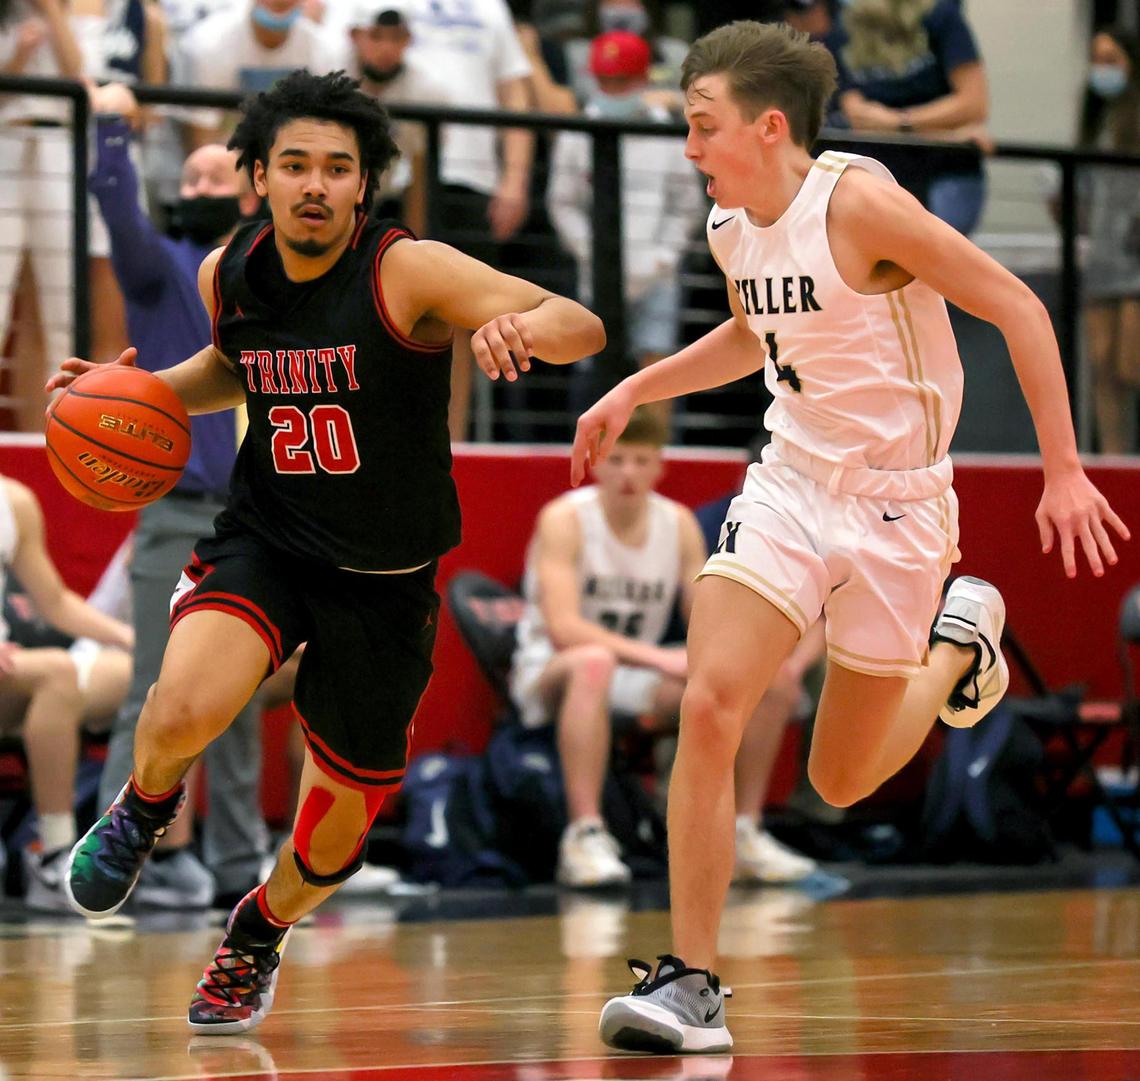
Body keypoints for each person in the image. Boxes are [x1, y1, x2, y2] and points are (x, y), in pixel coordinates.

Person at [570, 21, 1127, 1053]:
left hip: (899, 506)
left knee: (838, 781)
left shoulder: (862, 203)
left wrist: (1061, 468)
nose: (689, 149)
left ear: (767, 125)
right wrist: (637, 385)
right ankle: (692, 983)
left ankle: (962, 641)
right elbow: (755, 330)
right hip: (789, 480)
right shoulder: (732, 223)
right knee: (712, 699)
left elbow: (1015, 306)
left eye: (704, 127)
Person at [48, 69, 603, 1032]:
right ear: (257, 176)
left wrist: (517, 326)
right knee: (181, 702)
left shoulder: (407, 270)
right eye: (294, 164)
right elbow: (235, 365)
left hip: (386, 583)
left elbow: (580, 323)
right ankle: (142, 807)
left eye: (337, 168)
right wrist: (136, 395)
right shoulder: (230, 270)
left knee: (331, 836)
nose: (315, 184)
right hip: (268, 539)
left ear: (363, 184)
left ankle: (258, 930)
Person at [87, 80, 270, 912]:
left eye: (211, 180)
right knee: (152, 688)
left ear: (245, 191)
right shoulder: (161, 268)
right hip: (175, 512)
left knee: (238, 700)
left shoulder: (265, 280)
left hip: (255, 515)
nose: (195, 191)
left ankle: (238, 862)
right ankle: (124, 862)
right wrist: (111, 126)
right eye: (186, 181)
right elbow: (117, 208)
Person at [511, 406, 816, 887]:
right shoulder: (565, 519)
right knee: (593, 662)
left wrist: (740, 656)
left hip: (633, 674)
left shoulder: (678, 524)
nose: (628, 473)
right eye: (617, 459)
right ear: (595, 462)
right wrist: (663, 658)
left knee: (771, 678)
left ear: (660, 465)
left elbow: (705, 621)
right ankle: (584, 834)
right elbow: (565, 629)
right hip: (553, 670)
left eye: (640, 460)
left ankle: (744, 832)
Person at [547, 29, 705, 428]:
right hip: (594, 274)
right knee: (589, 364)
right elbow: (562, 203)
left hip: (657, 273)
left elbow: (686, 204)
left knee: (661, 366)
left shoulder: (669, 132)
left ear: (644, 79)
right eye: (605, 81)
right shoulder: (575, 131)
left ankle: (659, 459)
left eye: (622, 81)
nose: (612, 90)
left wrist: (661, 257)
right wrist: (593, 251)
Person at [0, 478, 133, 911]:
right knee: (57, 671)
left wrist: (133, 639)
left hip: (7, 672)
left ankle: (51, 852)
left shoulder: (14, 500)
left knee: (60, 676)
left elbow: (54, 601)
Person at [405, 0, 535, 440]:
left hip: (472, 175)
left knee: (461, 319)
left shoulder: (490, 7)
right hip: (393, 175)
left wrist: (515, 177)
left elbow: (515, 91)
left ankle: (450, 442)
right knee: (379, 308)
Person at [822, 0, 991, 236]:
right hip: (879, 170)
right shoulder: (843, 25)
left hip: (945, 171)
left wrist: (900, 121)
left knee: (934, 251)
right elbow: (857, 113)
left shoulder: (941, 16)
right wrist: (946, 132)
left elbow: (973, 104)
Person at [1079, 27, 1140, 453]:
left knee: (1130, 366)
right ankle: (1113, 461)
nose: (1102, 69)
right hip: (1101, 256)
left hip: (1136, 255)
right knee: (1101, 368)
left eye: (1112, 59)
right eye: (1097, 59)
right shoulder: (1095, 120)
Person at [346, 0, 452, 237]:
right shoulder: (326, 78)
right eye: (376, 36)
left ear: (409, 40)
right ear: (354, 36)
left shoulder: (428, 95)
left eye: (396, 37)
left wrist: (416, 246)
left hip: (381, 201)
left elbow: (420, 175)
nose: (387, 48)